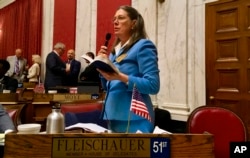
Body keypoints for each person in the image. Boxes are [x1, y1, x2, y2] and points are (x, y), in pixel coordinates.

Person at [97, 5, 160, 133]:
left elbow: (153, 85)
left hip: (135, 117)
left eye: (120, 18)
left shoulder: (143, 46)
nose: (115, 22)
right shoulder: (114, 51)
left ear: (133, 23)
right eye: (114, 19)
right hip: (112, 115)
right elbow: (108, 85)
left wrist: (120, 76)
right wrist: (101, 65)